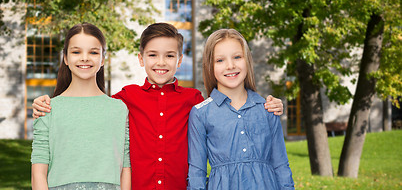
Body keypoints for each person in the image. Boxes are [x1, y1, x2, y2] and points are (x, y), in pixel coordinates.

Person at [32, 23, 284, 190]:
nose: (161, 62)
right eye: (152, 55)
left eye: (169, 55)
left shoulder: (195, 100)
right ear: (141, 59)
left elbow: (228, 109)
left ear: (180, 60)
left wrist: (268, 103)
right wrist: (45, 103)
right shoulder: (124, 99)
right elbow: (90, 105)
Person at [187, 29, 294, 189]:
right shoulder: (201, 113)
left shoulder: (268, 109)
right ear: (210, 66)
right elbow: (197, 173)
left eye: (237, 57)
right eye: (220, 60)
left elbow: (281, 166)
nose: (230, 66)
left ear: (247, 61)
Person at [31, 23, 131, 190]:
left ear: (103, 59)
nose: (85, 58)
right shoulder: (48, 108)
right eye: (76, 52)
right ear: (65, 58)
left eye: (93, 52)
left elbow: (125, 168)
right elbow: (38, 173)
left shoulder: (119, 109)